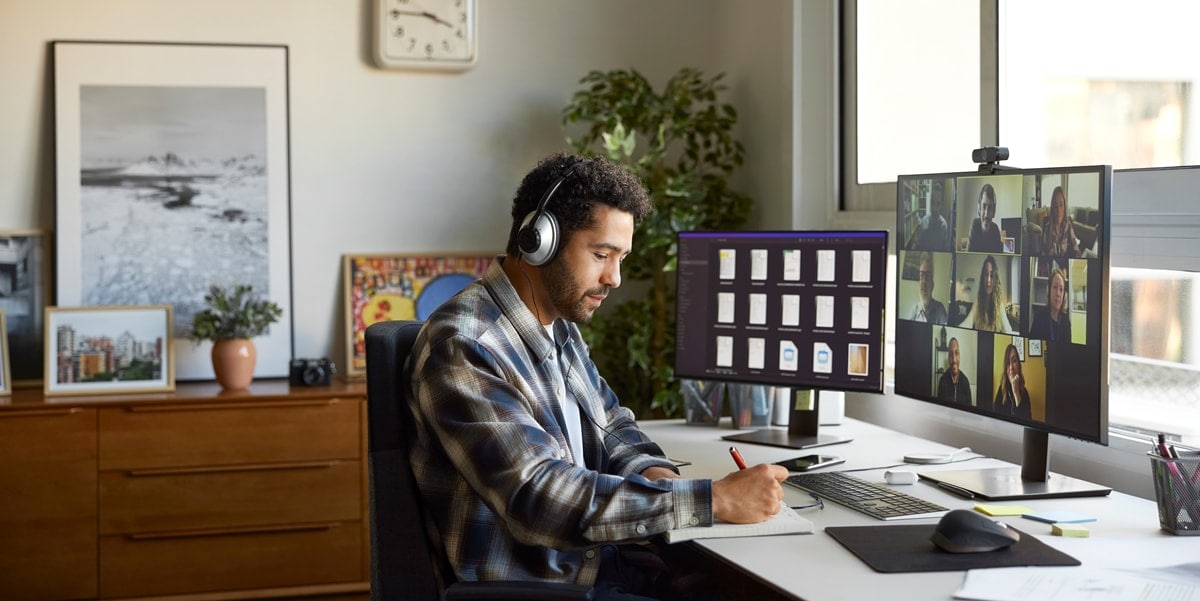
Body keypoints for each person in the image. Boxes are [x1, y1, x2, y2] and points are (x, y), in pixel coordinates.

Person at [405, 153, 788, 600]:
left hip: (593, 564)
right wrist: (711, 501)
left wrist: (661, 478)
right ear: (538, 242)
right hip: (539, 586)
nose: (615, 277)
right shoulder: (468, 345)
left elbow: (612, 426)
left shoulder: (556, 325)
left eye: (620, 257)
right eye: (601, 254)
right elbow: (537, 498)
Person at [963, 255, 1014, 333]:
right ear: (983, 277)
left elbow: (1008, 330)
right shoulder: (978, 300)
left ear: (995, 279)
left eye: (992, 275)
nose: (988, 280)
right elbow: (968, 323)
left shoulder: (999, 304)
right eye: (986, 274)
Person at [907, 180, 952, 251]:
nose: (935, 208)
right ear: (930, 202)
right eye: (933, 203)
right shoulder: (923, 222)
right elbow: (917, 245)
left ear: (941, 205)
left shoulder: (944, 226)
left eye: (938, 204)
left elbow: (946, 251)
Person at [1028, 268, 1071, 342]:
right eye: (1055, 287)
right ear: (1049, 290)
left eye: (1061, 289)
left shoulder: (1066, 321)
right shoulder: (1039, 317)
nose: (1058, 294)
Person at [993, 343, 1032, 420]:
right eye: (1008, 363)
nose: (1011, 367)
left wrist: (1016, 392)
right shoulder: (1001, 390)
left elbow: (1026, 421)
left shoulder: (1025, 393)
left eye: (1014, 361)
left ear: (1019, 365)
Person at [909, 252, 948, 324]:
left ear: (932, 285)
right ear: (919, 283)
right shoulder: (914, 310)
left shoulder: (940, 309)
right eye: (921, 275)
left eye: (927, 276)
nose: (924, 282)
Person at [1041, 186, 1080, 258]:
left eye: (1061, 205)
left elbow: (1076, 250)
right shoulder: (1047, 227)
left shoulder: (1068, 226)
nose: (1058, 211)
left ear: (1064, 206)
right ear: (1052, 208)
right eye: (1056, 206)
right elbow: (1043, 254)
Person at [967, 183, 1003, 253]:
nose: (986, 215)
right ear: (979, 209)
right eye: (984, 207)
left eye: (990, 208)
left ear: (994, 211)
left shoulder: (995, 229)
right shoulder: (975, 224)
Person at [936, 337, 972, 405]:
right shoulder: (942, 381)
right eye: (951, 354)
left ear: (960, 356)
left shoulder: (965, 382)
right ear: (948, 357)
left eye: (956, 353)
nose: (954, 360)